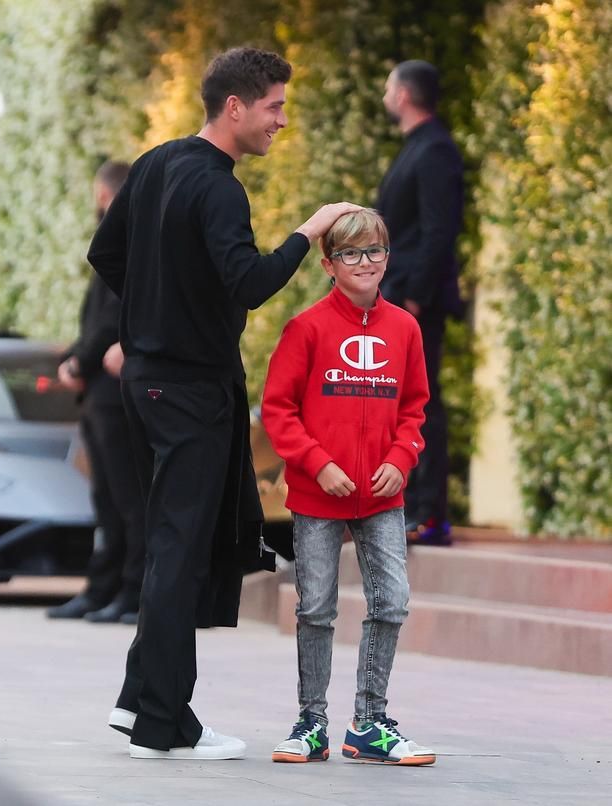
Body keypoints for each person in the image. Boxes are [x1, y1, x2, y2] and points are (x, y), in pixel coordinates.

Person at [87, 46, 360, 761]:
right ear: (234, 107)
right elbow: (248, 282)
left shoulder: (152, 165)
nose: (282, 120)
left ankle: (149, 706)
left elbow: (106, 257)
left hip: (146, 381)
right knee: (181, 547)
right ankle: (154, 718)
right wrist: (310, 228)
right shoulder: (218, 188)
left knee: (174, 543)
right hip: (188, 389)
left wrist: (150, 319)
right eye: (274, 106)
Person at [262, 208, 435, 765]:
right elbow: (278, 410)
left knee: (393, 602)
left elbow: (414, 408)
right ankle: (311, 723)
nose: (366, 263)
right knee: (315, 607)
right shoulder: (307, 328)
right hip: (319, 497)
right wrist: (317, 464)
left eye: (376, 251)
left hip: (383, 497)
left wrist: (402, 458)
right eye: (352, 254)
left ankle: (369, 723)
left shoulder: (405, 329)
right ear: (328, 264)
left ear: (387, 258)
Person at [47, 161, 145, 624]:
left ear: (106, 194)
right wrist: (77, 356)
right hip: (101, 389)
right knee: (107, 497)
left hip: (115, 389)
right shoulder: (125, 239)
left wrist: (78, 362)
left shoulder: (124, 241)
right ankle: (103, 588)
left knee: (125, 496)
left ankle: (130, 591)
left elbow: (110, 316)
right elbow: (98, 319)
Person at [377, 60, 464, 546]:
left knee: (421, 403)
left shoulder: (435, 151)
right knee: (400, 402)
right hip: (400, 299)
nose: (385, 95)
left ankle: (431, 515)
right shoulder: (418, 148)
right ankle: (409, 507)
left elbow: (438, 231)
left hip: (416, 303)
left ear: (405, 95)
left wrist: (413, 297)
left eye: (389, 87)